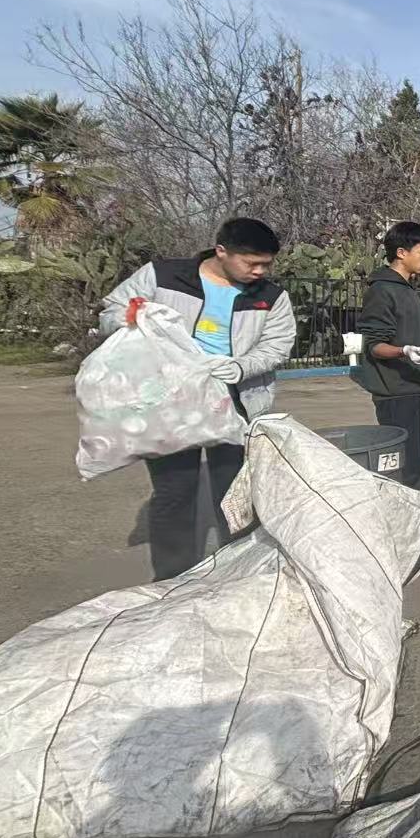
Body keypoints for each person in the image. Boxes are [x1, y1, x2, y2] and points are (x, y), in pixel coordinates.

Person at [98, 217, 296, 579]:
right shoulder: (163, 276)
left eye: (266, 264)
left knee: (236, 491)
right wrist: (129, 319)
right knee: (175, 490)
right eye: (251, 263)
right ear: (221, 251)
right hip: (169, 401)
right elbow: (112, 311)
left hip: (234, 401)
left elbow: (278, 344)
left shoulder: (271, 297)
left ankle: (238, 572)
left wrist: (241, 367)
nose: (259, 271)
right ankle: (172, 578)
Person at [358, 221, 420, 487]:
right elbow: (375, 345)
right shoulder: (382, 291)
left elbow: (414, 338)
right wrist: (403, 351)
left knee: (413, 462)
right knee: (402, 468)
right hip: (396, 392)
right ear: (402, 253)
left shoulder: (406, 289)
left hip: (415, 387)